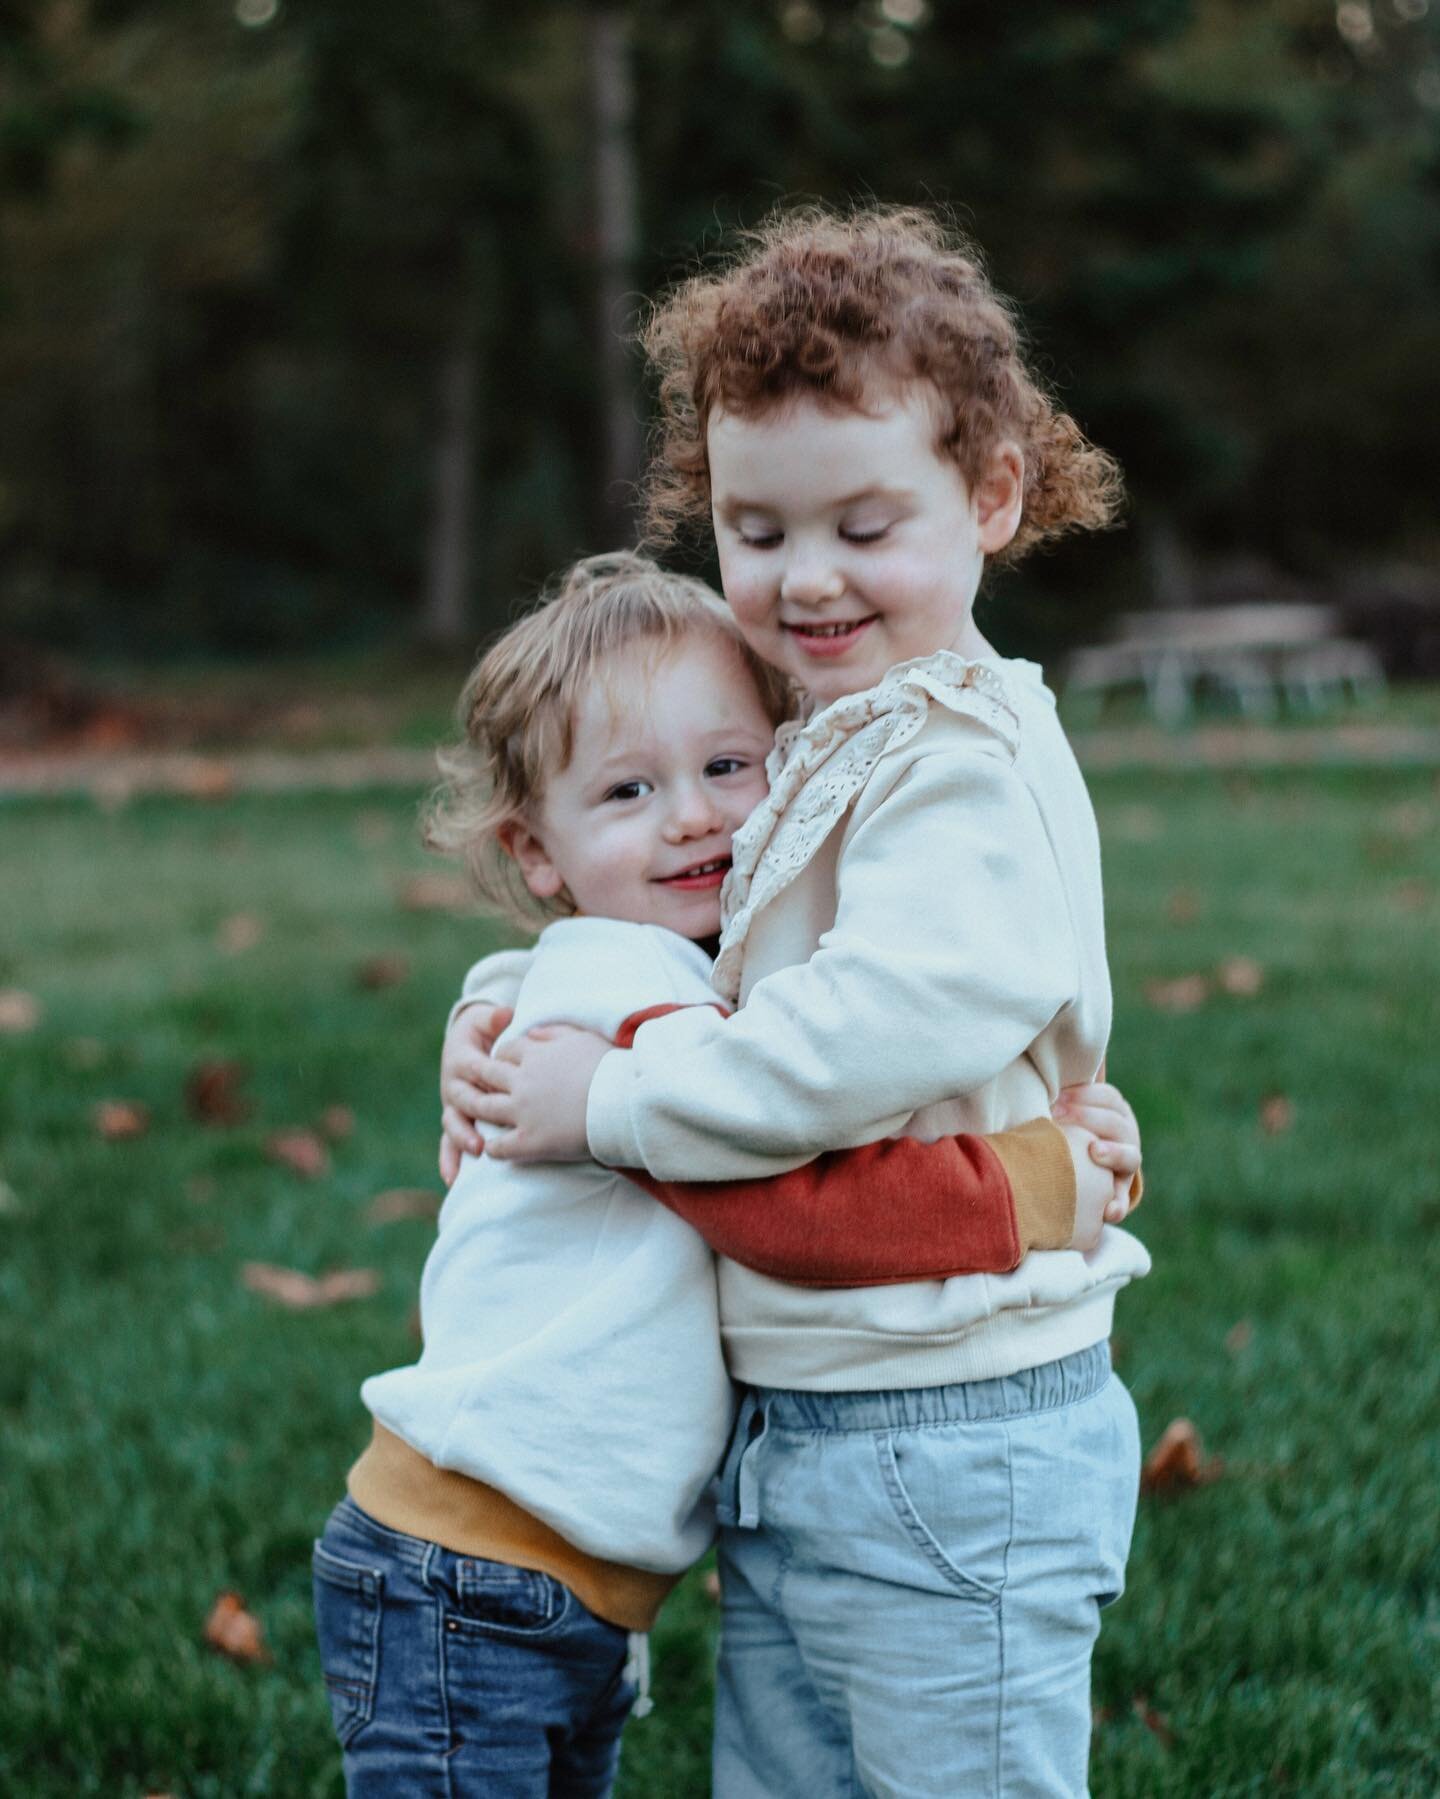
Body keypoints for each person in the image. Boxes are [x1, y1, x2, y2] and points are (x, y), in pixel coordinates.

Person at [448, 205, 1152, 1798]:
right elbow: (690, 947)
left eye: (862, 524)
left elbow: (850, 1041)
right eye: (757, 532)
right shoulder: (849, 730)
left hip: (954, 1430)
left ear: (992, 495)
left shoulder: (959, 768)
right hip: (821, 1430)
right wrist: (506, 1008)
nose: (805, 576)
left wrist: (608, 1102)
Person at [317, 552, 1142, 1798]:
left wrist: (478, 1004)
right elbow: (791, 1206)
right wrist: (1040, 1181)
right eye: (629, 789)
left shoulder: (660, 992)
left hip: (539, 1578)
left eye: (727, 764)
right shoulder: (633, 1012)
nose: (694, 814)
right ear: (533, 849)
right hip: (470, 1571)